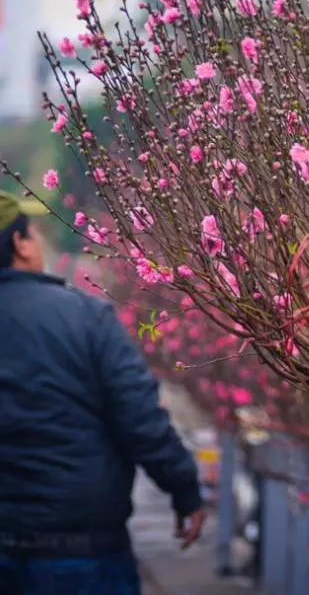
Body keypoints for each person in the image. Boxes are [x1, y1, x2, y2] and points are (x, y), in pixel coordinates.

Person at [0, 190, 207, 594]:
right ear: (19, 244)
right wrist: (184, 490)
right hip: (82, 551)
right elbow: (139, 418)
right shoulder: (83, 316)